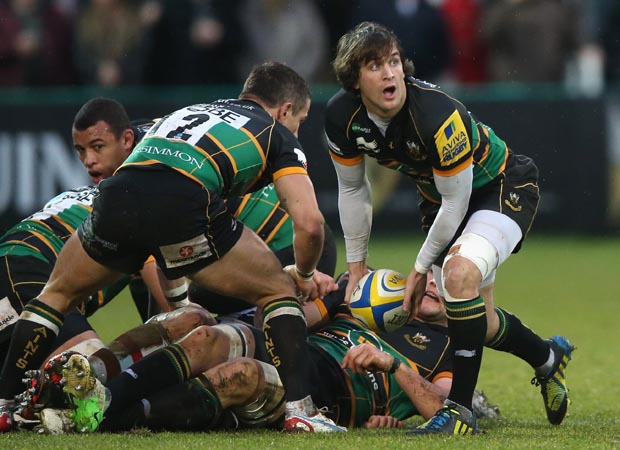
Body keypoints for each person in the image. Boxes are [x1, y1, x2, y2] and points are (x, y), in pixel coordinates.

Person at [0, 62, 344, 434]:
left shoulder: (184, 113)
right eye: (300, 121)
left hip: (117, 195)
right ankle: (301, 411)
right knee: (277, 290)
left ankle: (3, 406)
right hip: (183, 203)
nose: (297, 129)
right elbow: (310, 224)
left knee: (55, 295)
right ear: (285, 110)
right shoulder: (275, 133)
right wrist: (304, 274)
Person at [324, 21, 574, 434]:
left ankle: (458, 411)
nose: (389, 73)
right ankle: (548, 358)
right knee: (475, 320)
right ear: (354, 79)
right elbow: (353, 189)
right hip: (441, 200)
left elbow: (459, 201)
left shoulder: (438, 114)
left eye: (393, 62)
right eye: (375, 66)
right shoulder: (341, 116)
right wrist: (356, 267)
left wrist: (419, 269)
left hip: (501, 187)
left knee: (457, 277)